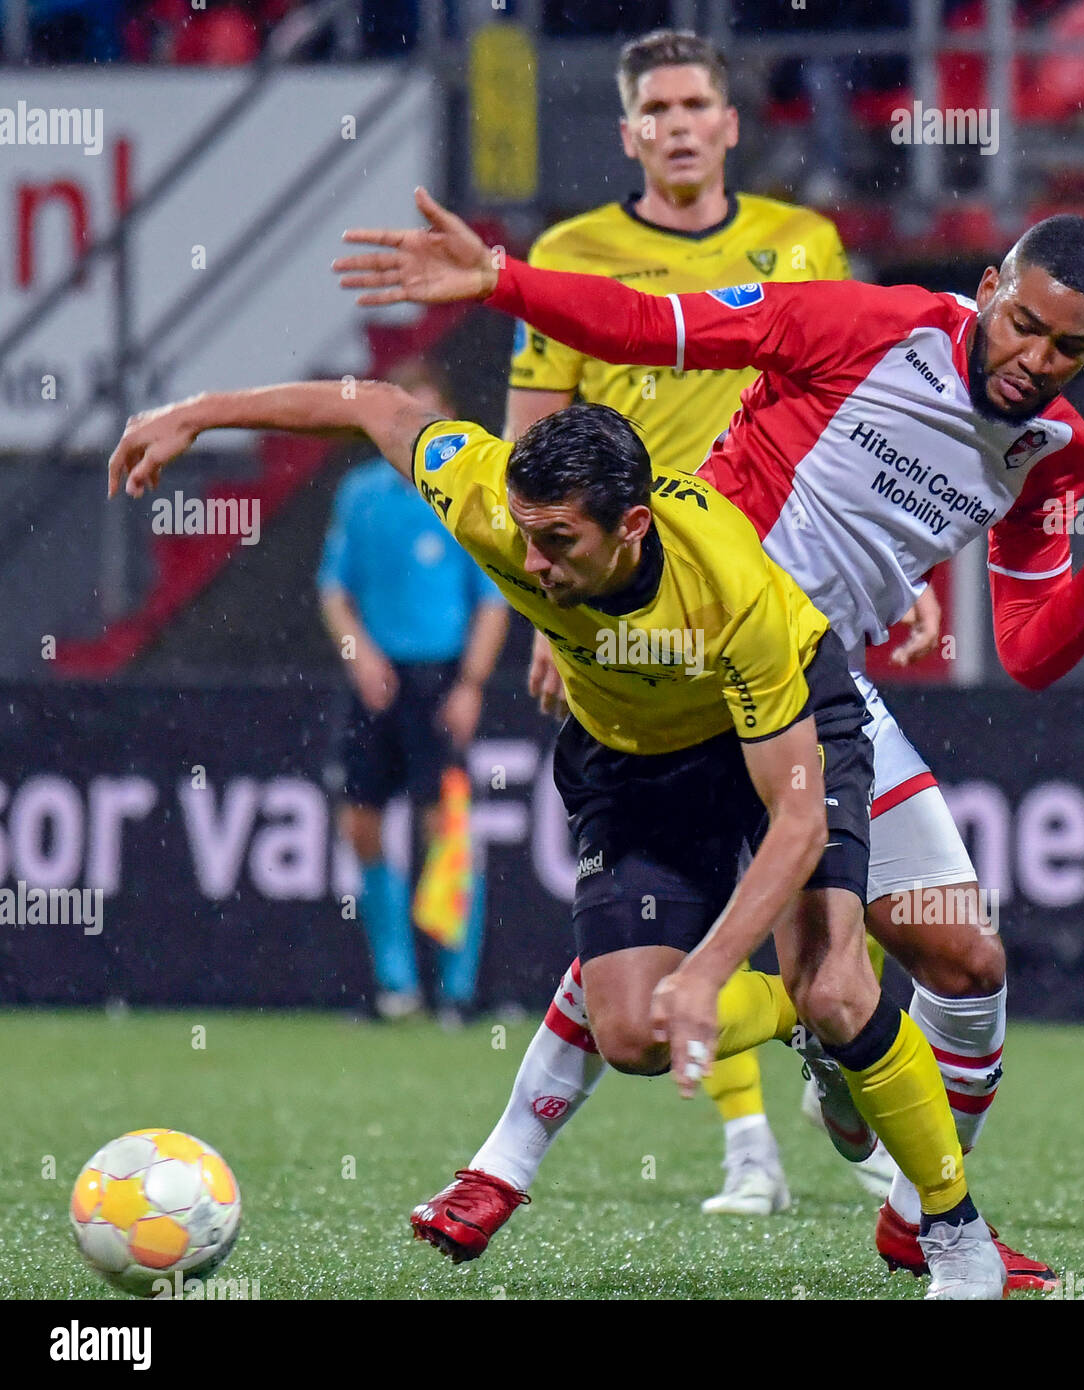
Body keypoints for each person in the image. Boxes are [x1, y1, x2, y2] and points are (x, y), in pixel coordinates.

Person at [332, 194, 1084, 1288]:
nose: (1037, 359)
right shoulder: (864, 324)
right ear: (992, 283)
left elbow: (1031, 652)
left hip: (821, 690)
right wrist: (500, 283)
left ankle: (918, 1214)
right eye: (1027, 324)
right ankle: (512, 1157)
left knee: (967, 959)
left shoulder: (1052, 449)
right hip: (696, 669)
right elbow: (646, 325)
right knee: (702, 988)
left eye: (1071, 347)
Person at [108, 384, 1009, 1300]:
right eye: (526, 534)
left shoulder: (730, 588)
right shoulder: (495, 500)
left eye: (559, 543)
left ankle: (957, 1235)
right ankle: (792, 1016)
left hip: (786, 734)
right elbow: (373, 406)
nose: (531, 562)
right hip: (631, 756)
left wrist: (705, 974)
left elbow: (797, 817)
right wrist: (200, 412)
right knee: (632, 1033)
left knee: (839, 987)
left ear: (632, 525)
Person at [503, 25, 939, 1219]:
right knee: (691, 878)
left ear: (731, 122)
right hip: (633, 614)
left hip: (775, 601)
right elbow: (527, 444)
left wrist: (903, 556)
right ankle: (752, 1145)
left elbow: (868, 412)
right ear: (632, 127)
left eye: (700, 102)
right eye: (659, 107)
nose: (682, 123)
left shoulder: (801, 245)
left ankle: (811, 1066)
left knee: (811, 881)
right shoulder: (571, 252)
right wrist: (552, 612)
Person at [316, 358, 509, 1020]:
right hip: (376, 679)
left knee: (447, 829)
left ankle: (458, 991)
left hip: (441, 678)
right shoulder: (360, 495)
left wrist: (473, 684)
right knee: (361, 824)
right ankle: (397, 986)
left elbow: (493, 600)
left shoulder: (462, 496)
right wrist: (358, 655)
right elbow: (334, 591)